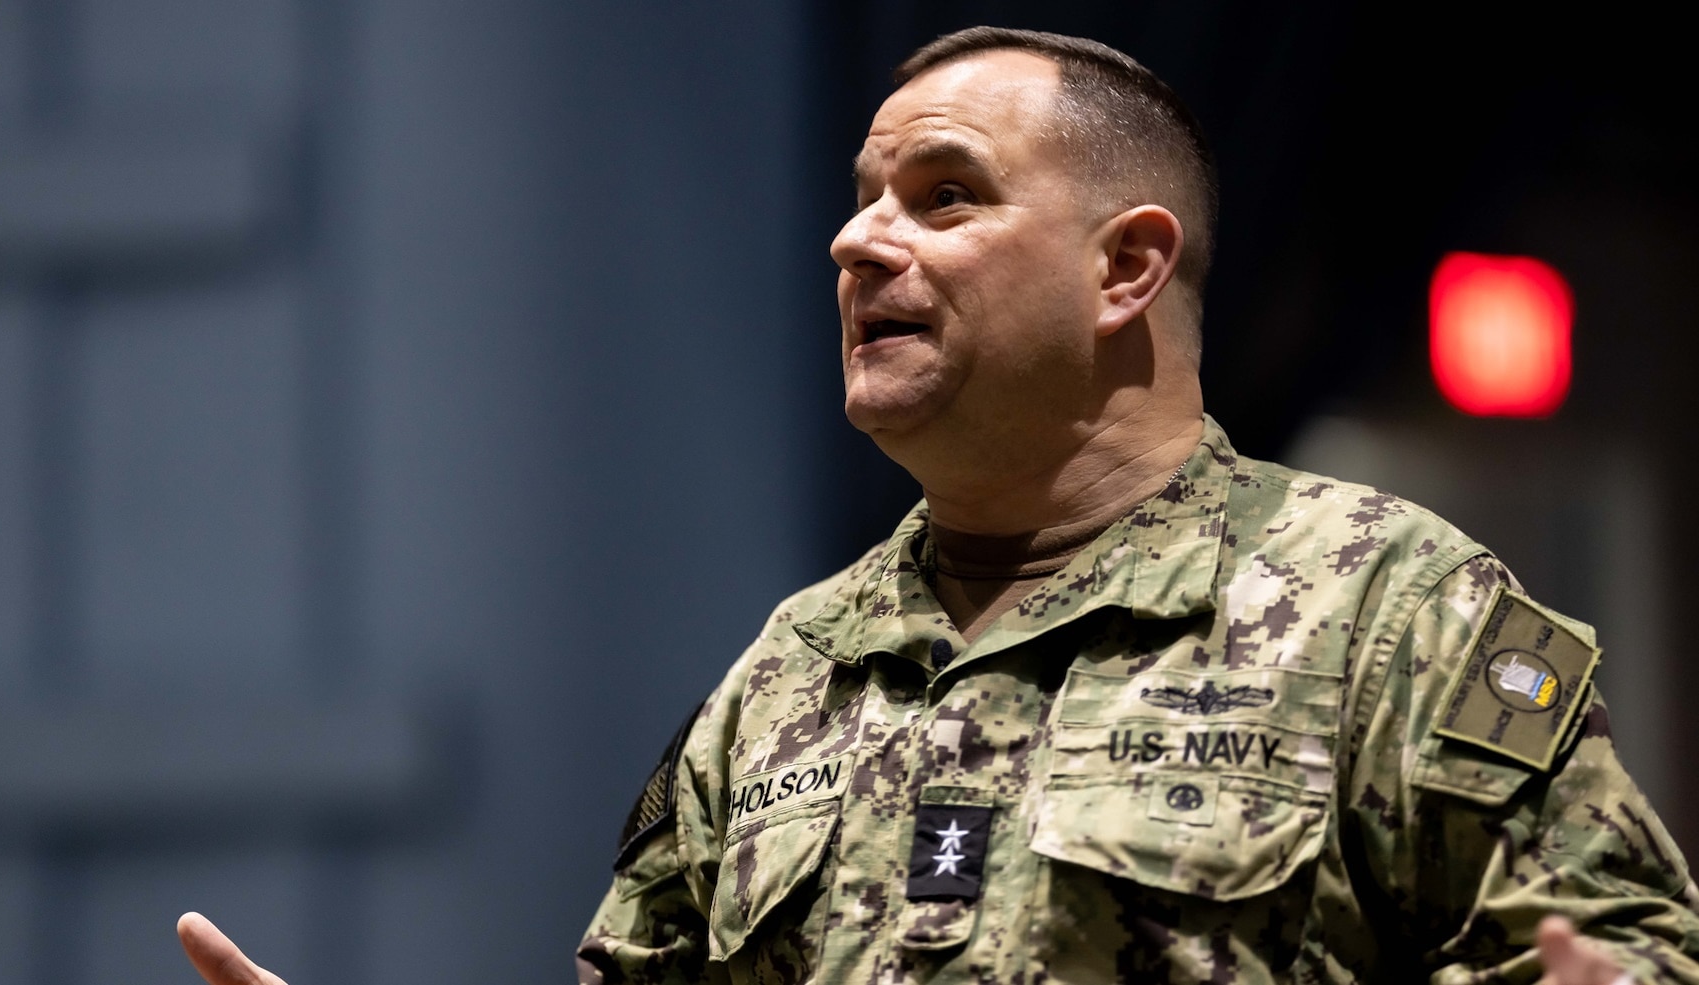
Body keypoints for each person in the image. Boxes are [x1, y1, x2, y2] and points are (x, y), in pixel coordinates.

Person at [172, 26, 1699, 985]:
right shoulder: (788, 673)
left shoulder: (1390, 609)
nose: (855, 237)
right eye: (859, 192)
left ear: (1125, 267)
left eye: (941, 194)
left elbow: (1614, 951)